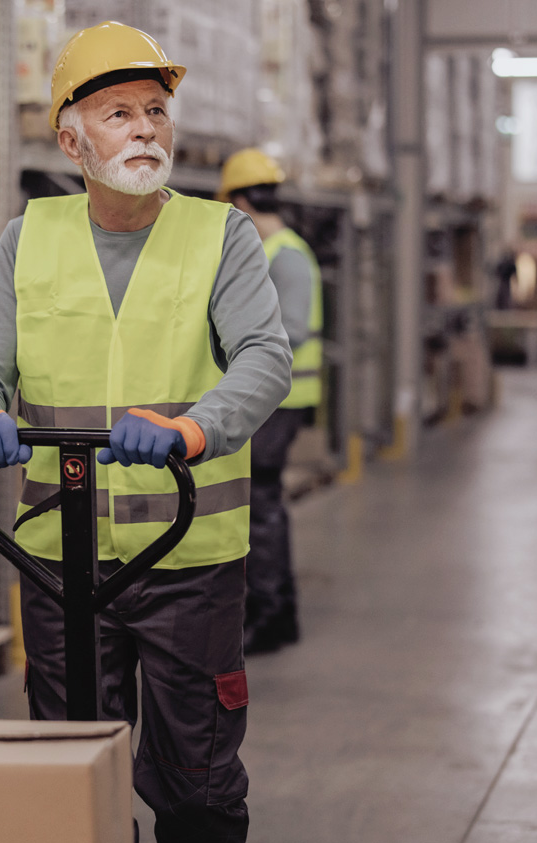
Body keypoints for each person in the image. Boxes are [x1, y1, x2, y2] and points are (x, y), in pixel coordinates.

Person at [0, 22, 292, 843]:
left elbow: (264, 358)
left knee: (197, 782)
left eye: (155, 111)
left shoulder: (223, 237)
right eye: (117, 113)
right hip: (60, 560)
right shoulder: (31, 240)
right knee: (68, 768)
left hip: (187, 561)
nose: (145, 129)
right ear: (71, 140)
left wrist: (193, 428)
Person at [217, 149, 323, 655]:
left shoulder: (288, 255)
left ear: (239, 201)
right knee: (260, 503)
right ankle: (276, 613)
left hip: (281, 400)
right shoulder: (269, 250)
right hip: (269, 400)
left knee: (260, 506)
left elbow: (294, 328)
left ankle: (272, 614)